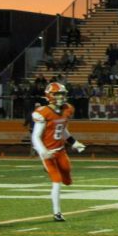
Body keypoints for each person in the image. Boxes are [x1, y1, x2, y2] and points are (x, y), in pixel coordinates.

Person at [31, 83, 87, 222]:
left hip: (60, 150)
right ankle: (57, 213)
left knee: (67, 180)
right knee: (57, 181)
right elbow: (35, 136)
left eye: (62, 94)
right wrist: (43, 151)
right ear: (50, 95)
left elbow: (63, 130)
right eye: (58, 94)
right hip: (48, 152)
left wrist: (74, 142)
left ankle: (56, 172)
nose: (61, 97)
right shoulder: (43, 112)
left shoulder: (67, 109)